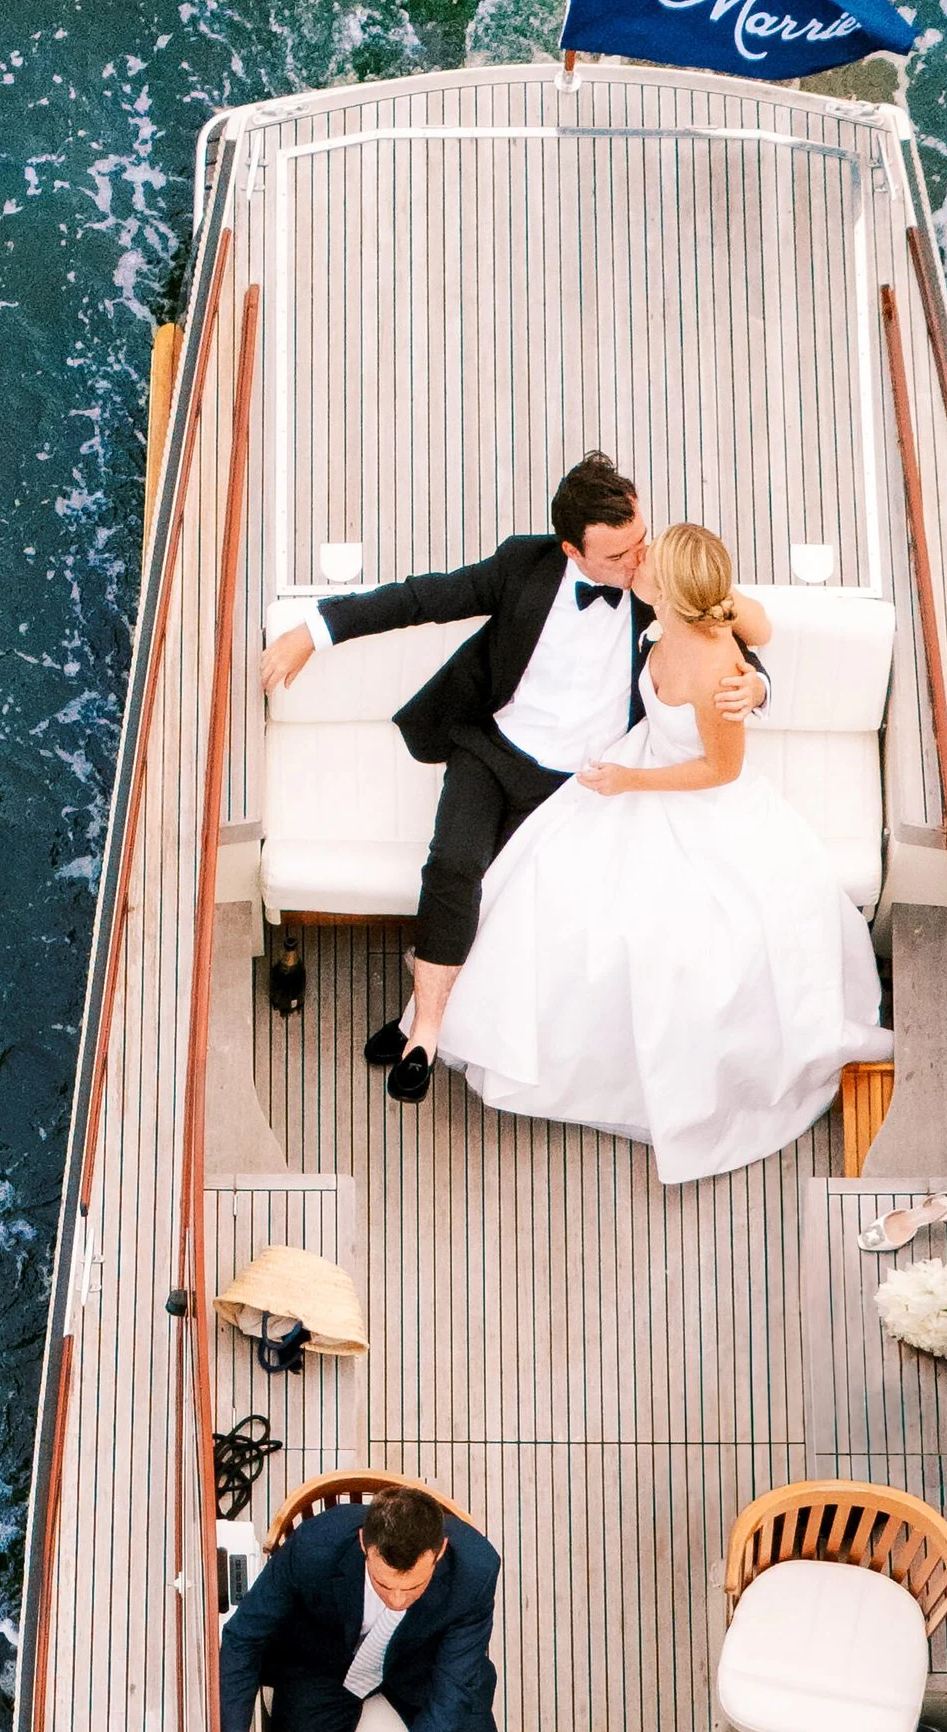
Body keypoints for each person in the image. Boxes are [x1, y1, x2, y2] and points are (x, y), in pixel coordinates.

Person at [258, 453, 768, 1106]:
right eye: (620, 555)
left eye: (642, 541)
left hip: (580, 784)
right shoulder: (522, 566)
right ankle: (427, 1036)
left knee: (526, 909)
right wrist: (316, 630)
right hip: (492, 747)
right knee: (452, 866)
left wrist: (757, 686)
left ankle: (422, 1020)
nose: (641, 562)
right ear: (571, 550)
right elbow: (424, 598)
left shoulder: (659, 584)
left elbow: (729, 649)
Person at [432, 522, 892, 1186]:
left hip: (693, 803)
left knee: (654, 945)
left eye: (649, 567)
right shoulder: (702, 608)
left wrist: (633, 781)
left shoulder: (716, 677)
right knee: (550, 884)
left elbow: (721, 771)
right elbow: (755, 624)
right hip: (643, 763)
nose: (638, 566)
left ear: (669, 599)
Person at [215, 1486, 520, 1732]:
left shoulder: (476, 1569)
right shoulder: (313, 1546)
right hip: (323, 1666)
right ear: (364, 1544)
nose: (396, 1600)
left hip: (426, 1670)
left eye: (412, 1588)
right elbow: (244, 1637)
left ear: (439, 1552)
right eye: (383, 1584)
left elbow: (451, 1690)